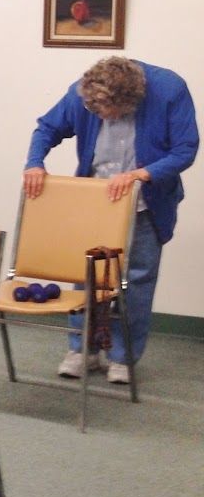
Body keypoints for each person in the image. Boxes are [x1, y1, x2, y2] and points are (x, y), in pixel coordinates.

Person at [23, 56, 198, 383]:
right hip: (96, 202)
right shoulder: (82, 93)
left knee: (137, 281)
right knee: (86, 275)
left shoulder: (169, 90)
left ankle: (122, 357)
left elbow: (185, 149)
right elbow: (48, 127)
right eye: (96, 112)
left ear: (130, 101)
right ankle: (82, 350)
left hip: (146, 201)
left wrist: (139, 174)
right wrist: (35, 162)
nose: (102, 118)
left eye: (109, 113)